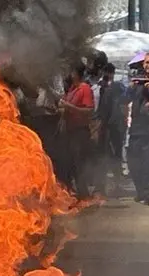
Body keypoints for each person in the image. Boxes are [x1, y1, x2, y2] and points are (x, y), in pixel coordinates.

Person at [126, 64, 149, 204]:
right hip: (136, 128)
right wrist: (131, 87)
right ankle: (140, 191)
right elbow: (125, 98)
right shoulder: (137, 80)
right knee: (133, 162)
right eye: (147, 62)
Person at [59, 62, 96, 200]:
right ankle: (76, 192)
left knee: (79, 163)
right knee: (71, 163)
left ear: (76, 73)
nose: (69, 74)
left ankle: (84, 194)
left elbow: (89, 110)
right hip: (70, 130)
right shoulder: (72, 89)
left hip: (80, 132)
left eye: (71, 71)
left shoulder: (84, 88)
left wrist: (69, 107)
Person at [94, 63, 126, 196]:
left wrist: (123, 123)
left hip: (115, 126)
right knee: (102, 155)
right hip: (103, 125)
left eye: (109, 72)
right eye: (104, 72)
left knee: (115, 156)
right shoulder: (99, 87)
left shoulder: (118, 86)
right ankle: (101, 185)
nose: (106, 75)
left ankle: (117, 184)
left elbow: (123, 103)